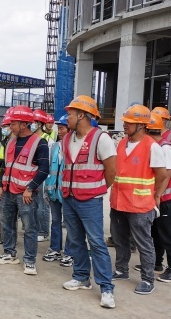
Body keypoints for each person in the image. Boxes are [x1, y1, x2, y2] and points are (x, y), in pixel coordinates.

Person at [60, 95, 116, 309]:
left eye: (70, 114)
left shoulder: (101, 139)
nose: (67, 118)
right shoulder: (67, 139)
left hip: (90, 201)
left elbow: (111, 171)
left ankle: (106, 288)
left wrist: (98, 190)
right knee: (75, 240)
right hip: (69, 198)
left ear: (82, 115)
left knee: (96, 242)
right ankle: (81, 276)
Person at [110, 104, 167, 296]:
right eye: (125, 121)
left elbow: (162, 175)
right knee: (119, 239)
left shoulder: (152, 147)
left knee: (144, 243)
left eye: (130, 122)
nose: (125, 124)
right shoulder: (121, 143)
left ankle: (148, 279)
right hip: (118, 201)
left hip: (140, 205)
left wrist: (154, 194)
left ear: (142, 125)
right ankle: (121, 270)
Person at [0, 104, 49, 273]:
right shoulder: (11, 141)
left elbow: (44, 169)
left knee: (29, 228)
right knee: (7, 224)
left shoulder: (40, 143)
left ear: (24, 124)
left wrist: (30, 188)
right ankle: (9, 253)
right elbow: (5, 166)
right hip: (8, 191)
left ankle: (30, 260)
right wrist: (1, 186)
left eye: (13, 124)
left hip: (26, 194)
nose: (10, 127)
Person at [145, 113, 171, 283]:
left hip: (168, 197)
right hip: (160, 196)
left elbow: (166, 174)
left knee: (169, 233)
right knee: (157, 231)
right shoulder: (155, 146)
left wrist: (158, 195)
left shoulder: (165, 147)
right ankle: (157, 263)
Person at [43, 114, 73, 267]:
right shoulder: (55, 146)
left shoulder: (75, 147)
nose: (59, 131)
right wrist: (46, 188)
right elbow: (50, 168)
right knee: (55, 221)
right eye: (58, 128)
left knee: (70, 223)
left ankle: (70, 252)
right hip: (54, 191)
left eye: (62, 128)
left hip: (68, 193)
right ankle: (55, 248)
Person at [32, 109, 53, 242]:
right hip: (33, 175)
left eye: (33, 122)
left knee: (42, 205)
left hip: (43, 176)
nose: (31, 124)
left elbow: (49, 162)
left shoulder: (48, 140)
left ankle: (43, 231)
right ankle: (36, 229)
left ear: (39, 123)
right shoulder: (32, 138)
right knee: (34, 205)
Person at [0, 113, 13, 245]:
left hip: (12, 184)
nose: (5, 129)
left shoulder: (16, 144)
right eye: (4, 126)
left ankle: (10, 237)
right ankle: (2, 235)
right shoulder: (1, 144)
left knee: (10, 214)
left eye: (7, 126)